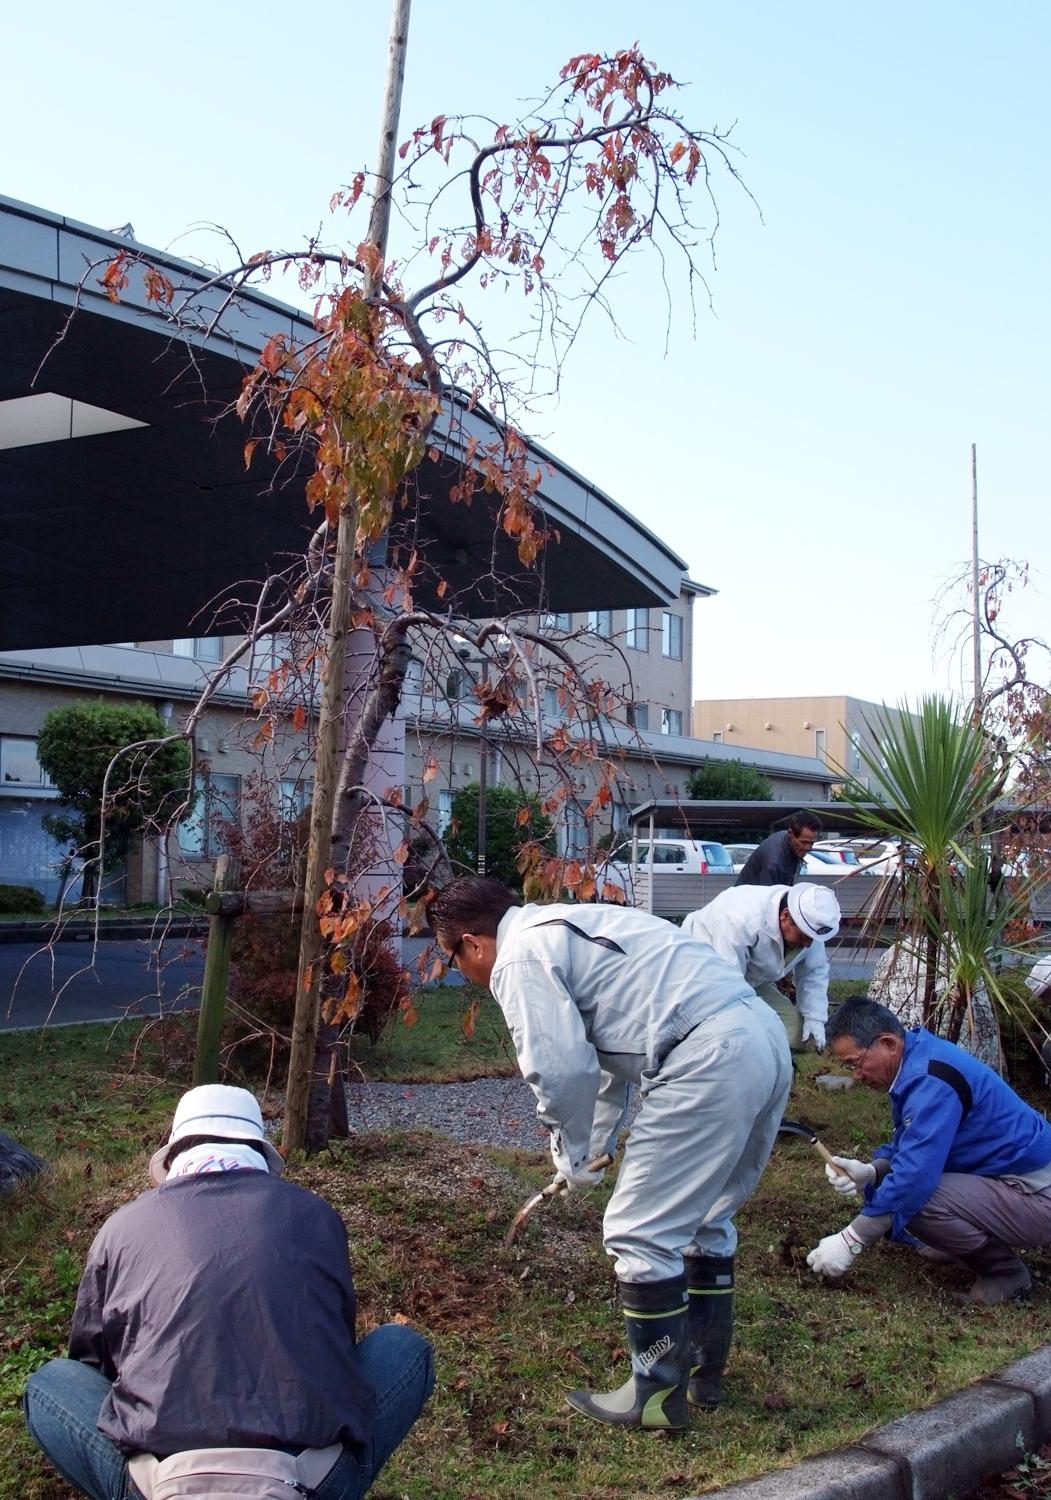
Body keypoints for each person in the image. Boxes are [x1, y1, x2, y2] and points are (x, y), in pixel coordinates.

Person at [428, 876, 792, 1431]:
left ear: (473, 943)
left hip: (706, 1054)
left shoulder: (519, 958)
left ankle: (654, 1399)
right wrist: (589, 1151)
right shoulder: (571, 925)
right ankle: (703, 1376)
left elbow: (560, 1069)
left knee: (639, 1231)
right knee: (706, 1216)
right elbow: (601, 1069)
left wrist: (566, 1151)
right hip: (760, 1035)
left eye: (453, 959)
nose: (462, 972)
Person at [24, 1084, 434, 1500]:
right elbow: (335, 1345)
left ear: (174, 1155)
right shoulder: (317, 1215)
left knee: (52, 1381)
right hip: (307, 1480)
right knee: (402, 1346)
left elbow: (92, 1361)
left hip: (160, 1484)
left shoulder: (121, 1228)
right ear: (258, 1152)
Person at [805, 996, 1051, 1304]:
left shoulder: (931, 1080)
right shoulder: (919, 1056)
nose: (855, 1074)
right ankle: (963, 1241)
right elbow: (912, 1142)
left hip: (1036, 1194)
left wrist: (851, 1240)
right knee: (894, 1184)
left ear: (888, 1043)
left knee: (917, 1199)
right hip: (1011, 1177)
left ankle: (1005, 1273)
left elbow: (913, 1179)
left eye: (856, 1063)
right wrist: (872, 1171)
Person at [681, 883, 841, 1051]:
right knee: (733, 1035)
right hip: (705, 970)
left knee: (796, 1034)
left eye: (812, 939)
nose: (808, 944)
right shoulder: (739, 918)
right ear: (785, 916)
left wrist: (814, 1018)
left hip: (750, 977)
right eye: (803, 937)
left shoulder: (807, 923)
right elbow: (728, 987)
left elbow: (814, 972)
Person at [736, 811, 823, 888]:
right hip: (748, 902)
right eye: (803, 842)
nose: (807, 848)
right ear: (790, 834)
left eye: (811, 843)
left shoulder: (788, 842)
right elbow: (770, 901)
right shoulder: (773, 863)